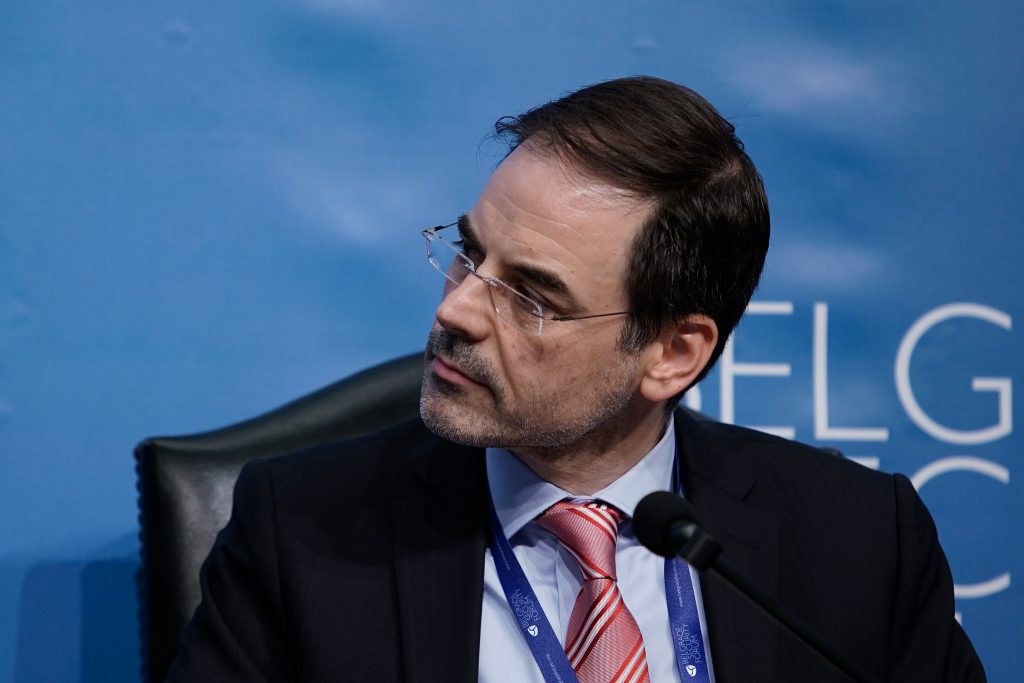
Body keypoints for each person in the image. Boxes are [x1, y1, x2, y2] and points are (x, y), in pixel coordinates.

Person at [168, 76, 985, 682]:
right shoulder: (302, 527)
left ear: (673, 353)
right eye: (468, 252)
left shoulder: (858, 541)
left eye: (531, 296)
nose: (458, 309)